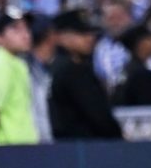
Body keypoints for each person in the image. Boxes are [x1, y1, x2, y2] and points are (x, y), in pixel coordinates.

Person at [46, 8, 122, 140]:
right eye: (81, 33)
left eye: (91, 33)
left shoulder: (54, 66)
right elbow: (99, 116)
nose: (90, 38)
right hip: (84, 148)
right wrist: (119, 137)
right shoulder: (72, 70)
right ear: (61, 37)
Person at [0, 8, 40, 145]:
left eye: (26, 28)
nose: (25, 35)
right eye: (16, 29)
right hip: (9, 150)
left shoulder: (16, 64)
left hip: (24, 149)